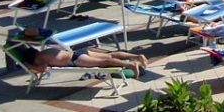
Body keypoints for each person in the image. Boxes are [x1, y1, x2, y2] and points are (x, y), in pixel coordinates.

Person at [16, 45, 148, 74]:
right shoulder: (45, 50)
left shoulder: (38, 59)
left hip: (75, 59)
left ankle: (130, 65)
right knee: (110, 55)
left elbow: (43, 69)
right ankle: (136, 56)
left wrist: (29, 66)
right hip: (78, 52)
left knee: (104, 62)